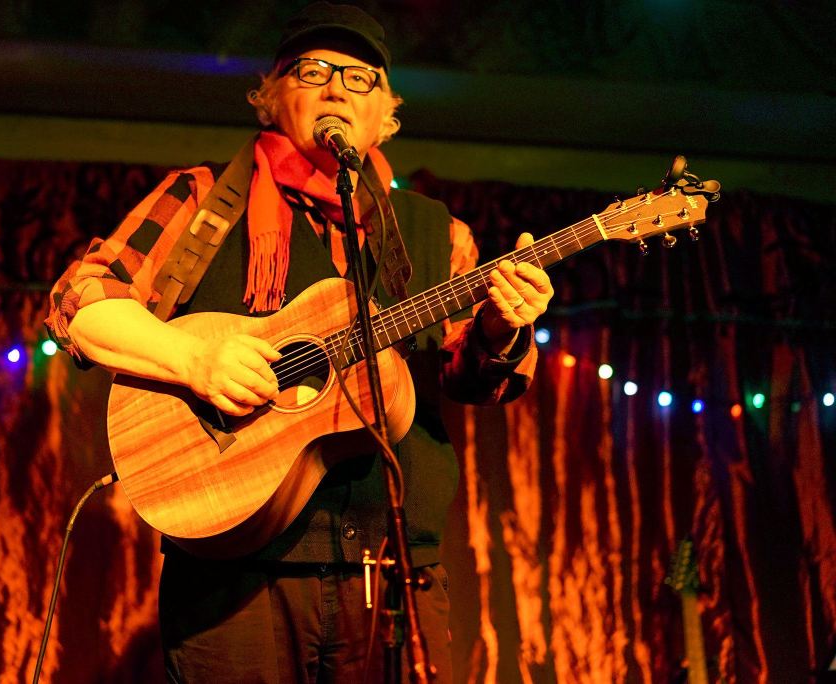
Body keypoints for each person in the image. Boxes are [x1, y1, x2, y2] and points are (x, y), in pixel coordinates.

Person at [45, 2, 554, 681]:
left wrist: (501, 327)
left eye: (359, 77)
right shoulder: (204, 200)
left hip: (394, 573)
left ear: (387, 113)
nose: (337, 86)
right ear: (270, 97)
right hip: (233, 578)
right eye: (311, 70)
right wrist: (194, 358)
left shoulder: (437, 232)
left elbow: (473, 375)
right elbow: (80, 298)